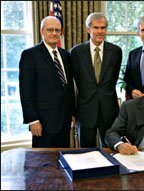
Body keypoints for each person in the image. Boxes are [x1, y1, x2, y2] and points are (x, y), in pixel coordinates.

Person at [19, 16, 76, 148]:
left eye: (57, 30)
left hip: (64, 120)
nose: (54, 33)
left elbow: (68, 87)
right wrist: (32, 120)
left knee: (62, 159)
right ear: (42, 31)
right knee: (42, 163)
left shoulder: (66, 55)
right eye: (50, 30)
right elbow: (26, 91)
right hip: (43, 122)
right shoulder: (30, 55)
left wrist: (72, 112)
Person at [71, 12, 122, 148]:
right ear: (88, 29)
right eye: (96, 27)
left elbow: (113, 79)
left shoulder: (116, 51)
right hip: (85, 109)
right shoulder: (76, 52)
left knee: (111, 149)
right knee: (86, 151)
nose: (100, 31)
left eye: (103, 27)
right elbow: (75, 81)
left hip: (109, 110)